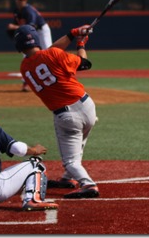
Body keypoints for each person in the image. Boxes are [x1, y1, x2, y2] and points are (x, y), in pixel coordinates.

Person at [13, 24, 99, 199]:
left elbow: (49, 54)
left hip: (67, 116)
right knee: (77, 148)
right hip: (87, 106)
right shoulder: (53, 54)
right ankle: (68, 179)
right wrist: (80, 43)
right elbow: (85, 64)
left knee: (71, 160)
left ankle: (88, 184)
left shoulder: (24, 67)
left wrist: (72, 32)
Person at [7, 0, 53, 91]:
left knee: (48, 52)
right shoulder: (16, 11)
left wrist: (14, 27)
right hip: (31, 31)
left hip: (41, 31)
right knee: (27, 53)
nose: (19, 1)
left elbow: (30, 26)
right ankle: (26, 83)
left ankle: (54, 77)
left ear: (25, 1)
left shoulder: (28, 11)